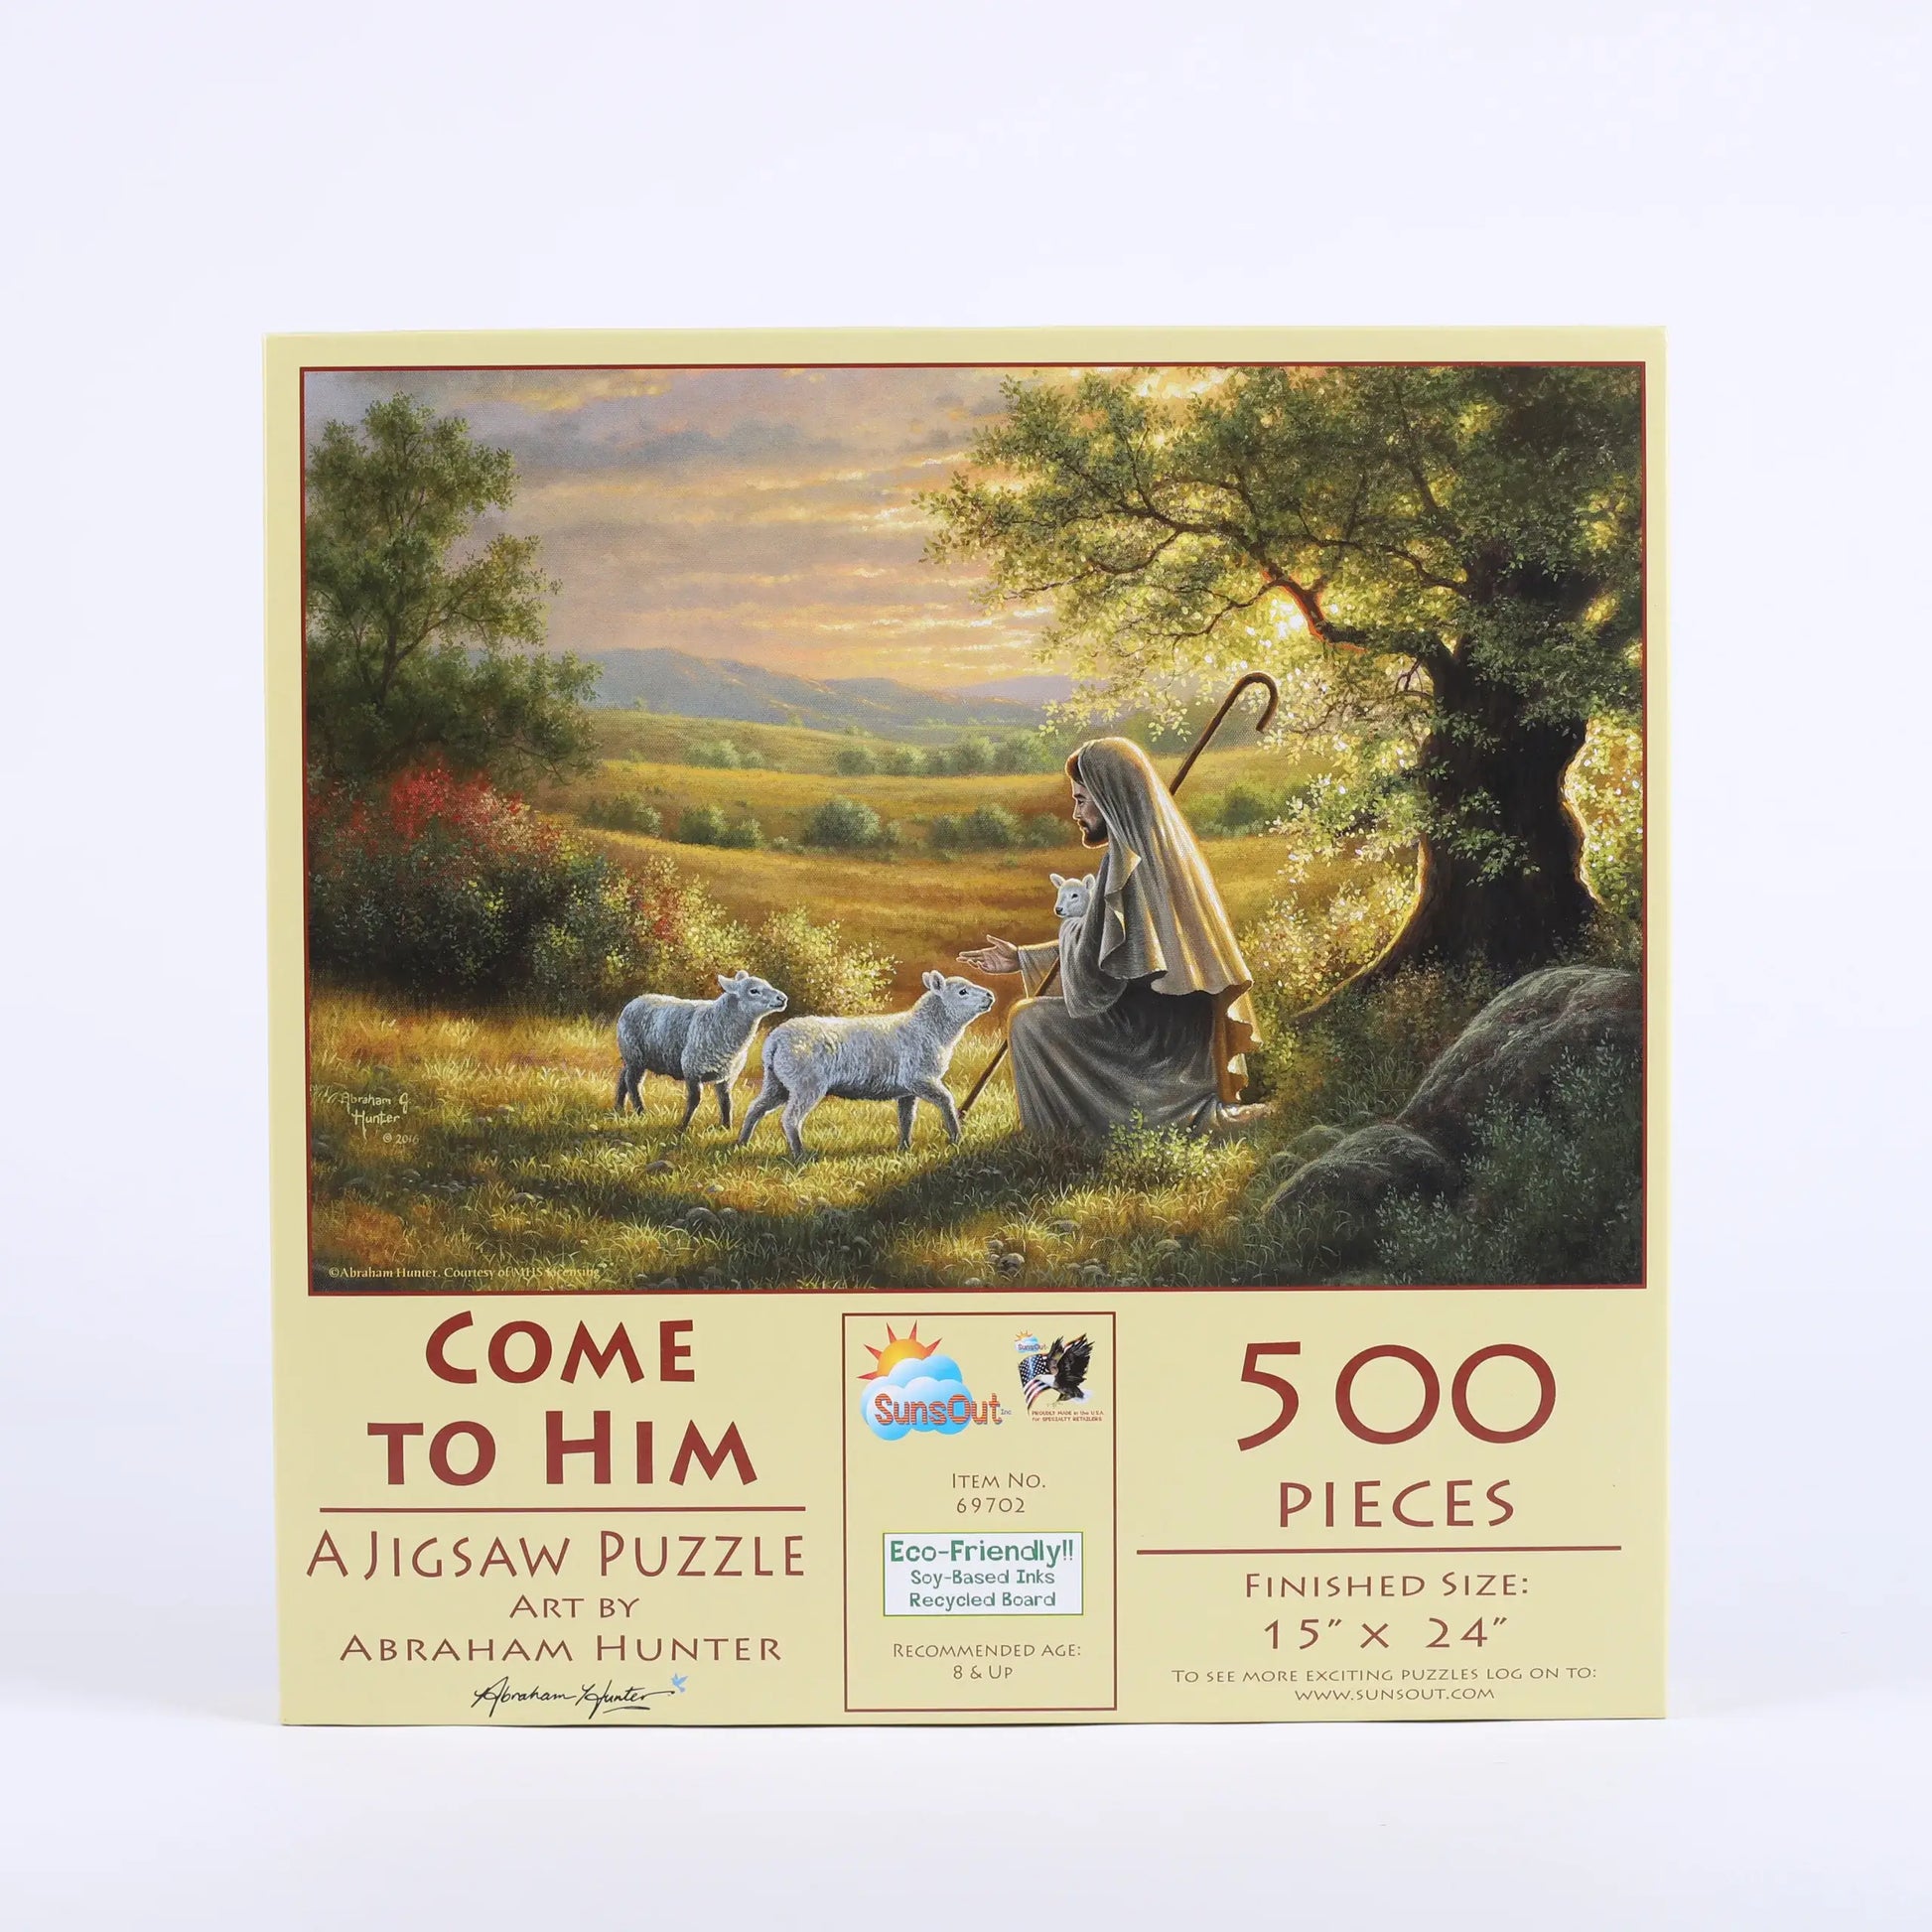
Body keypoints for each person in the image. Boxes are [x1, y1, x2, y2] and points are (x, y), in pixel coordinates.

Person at [959, 737, 1269, 1137]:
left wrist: (1069, 929)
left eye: (1082, 800)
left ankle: (1066, 1141)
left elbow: (1094, 979)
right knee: (1032, 1018)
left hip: (1155, 1049)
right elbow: (1112, 947)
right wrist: (1022, 958)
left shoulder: (1126, 865)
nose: (1076, 813)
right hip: (1168, 1037)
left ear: (1109, 800)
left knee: (1028, 1021)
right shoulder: (1161, 853)